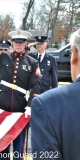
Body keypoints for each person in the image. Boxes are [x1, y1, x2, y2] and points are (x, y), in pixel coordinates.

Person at [0, 30, 41, 160]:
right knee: (3, 146)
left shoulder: (32, 62)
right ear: (12, 43)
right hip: (2, 106)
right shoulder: (4, 57)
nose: (18, 45)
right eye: (16, 42)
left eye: (21, 42)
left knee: (19, 147)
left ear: (25, 44)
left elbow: (36, 86)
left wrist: (30, 105)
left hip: (20, 108)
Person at [30, 29, 80, 160]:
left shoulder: (50, 59)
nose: (39, 45)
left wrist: (56, 99)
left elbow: (54, 78)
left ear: (73, 54)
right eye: (37, 43)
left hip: (48, 96)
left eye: (42, 43)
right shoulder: (31, 57)